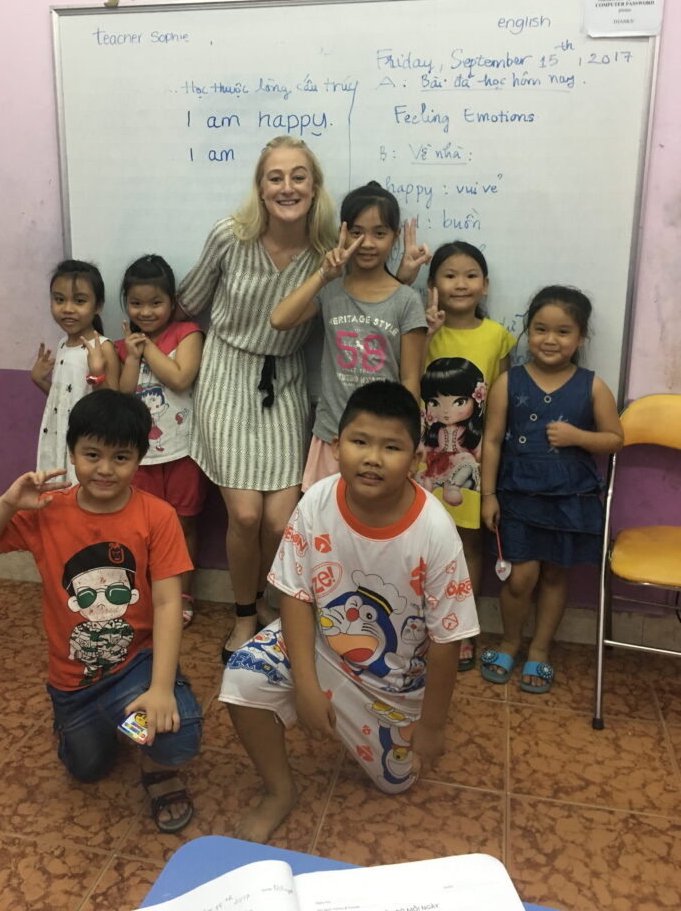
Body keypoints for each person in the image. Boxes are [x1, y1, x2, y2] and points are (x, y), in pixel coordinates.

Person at [219, 381, 479, 843]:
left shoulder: (435, 532)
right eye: (360, 442)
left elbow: (448, 639)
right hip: (321, 646)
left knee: (396, 782)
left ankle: (384, 725)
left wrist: (432, 728)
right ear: (337, 448)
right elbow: (297, 595)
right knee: (241, 678)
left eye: (391, 447)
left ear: (416, 459)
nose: (373, 458)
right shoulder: (317, 500)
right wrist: (306, 685)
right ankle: (280, 790)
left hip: (391, 683)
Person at [0, 390, 203, 833]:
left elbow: (169, 602)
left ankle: (150, 761)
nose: (105, 469)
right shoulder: (47, 510)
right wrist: (8, 502)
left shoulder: (158, 515)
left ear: (139, 459)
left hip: (136, 665)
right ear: (71, 452)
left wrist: (163, 687)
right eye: (92, 454)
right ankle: (115, 721)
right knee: (88, 769)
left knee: (178, 734)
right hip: (74, 680)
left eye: (121, 457)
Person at [176, 136, 338, 662]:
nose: (286, 187)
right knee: (244, 517)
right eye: (275, 177)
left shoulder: (326, 251)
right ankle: (244, 615)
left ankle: (271, 603)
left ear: (314, 188)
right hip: (226, 372)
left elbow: (360, 293)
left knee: (279, 521)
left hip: (287, 380)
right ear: (260, 186)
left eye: (298, 176)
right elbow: (190, 300)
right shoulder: (231, 235)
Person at [480, 286, 623, 692]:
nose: (550, 339)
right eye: (540, 329)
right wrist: (488, 495)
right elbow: (491, 441)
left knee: (556, 578)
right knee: (520, 579)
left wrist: (579, 436)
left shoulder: (592, 386)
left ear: (580, 338)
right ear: (527, 331)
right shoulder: (509, 382)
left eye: (563, 331)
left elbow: (615, 439)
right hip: (518, 497)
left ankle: (540, 650)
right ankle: (510, 642)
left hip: (569, 500)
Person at [270, 181, 428, 490]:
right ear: (343, 234)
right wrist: (323, 275)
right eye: (357, 232)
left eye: (379, 233)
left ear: (395, 237)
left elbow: (410, 379)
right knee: (328, 526)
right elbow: (279, 319)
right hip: (333, 436)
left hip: (383, 441)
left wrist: (411, 436)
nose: (367, 243)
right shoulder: (331, 291)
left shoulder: (406, 300)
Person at [415, 242, 516, 671]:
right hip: (420, 461)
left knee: (467, 543)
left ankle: (460, 629)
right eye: (449, 275)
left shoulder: (497, 337)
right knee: (418, 542)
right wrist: (427, 335)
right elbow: (406, 378)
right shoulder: (419, 328)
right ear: (432, 284)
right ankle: (417, 624)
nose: (460, 283)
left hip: (472, 464)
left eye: (471, 274)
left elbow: (499, 415)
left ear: (486, 284)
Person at [116, 254, 205, 627]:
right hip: (141, 455)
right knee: (141, 526)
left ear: (172, 301)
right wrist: (133, 354)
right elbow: (122, 393)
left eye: (156, 303)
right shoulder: (124, 346)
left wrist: (147, 347)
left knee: (183, 524)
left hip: (184, 450)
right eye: (136, 304)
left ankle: (182, 595)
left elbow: (181, 377)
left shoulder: (188, 333)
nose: (146, 312)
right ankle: (147, 594)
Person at [31, 259, 120, 483]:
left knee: (80, 492)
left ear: (98, 305)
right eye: (59, 299)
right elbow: (64, 398)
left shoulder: (103, 346)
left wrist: (97, 373)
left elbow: (114, 404)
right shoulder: (62, 344)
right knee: (56, 491)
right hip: (58, 433)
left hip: (88, 440)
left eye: (79, 301)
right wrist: (39, 380)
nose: (68, 308)